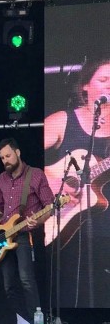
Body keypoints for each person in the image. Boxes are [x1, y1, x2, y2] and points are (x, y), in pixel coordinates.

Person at [44, 55, 110, 307]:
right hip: (68, 235)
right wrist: (46, 183)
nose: (109, 85)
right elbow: (18, 159)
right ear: (86, 86)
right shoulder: (64, 120)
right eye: (103, 79)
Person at [0, 138, 54, 323]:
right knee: (8, 286)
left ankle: (37, 323)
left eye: (8, 155)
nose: (5, 160)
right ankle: (24, 321)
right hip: (3, 236)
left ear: (18, 153)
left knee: (27, 280)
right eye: (2, 157)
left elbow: (50, 206)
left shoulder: (35, 175)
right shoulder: (1, 179)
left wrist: (37, 222)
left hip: (24, 234)